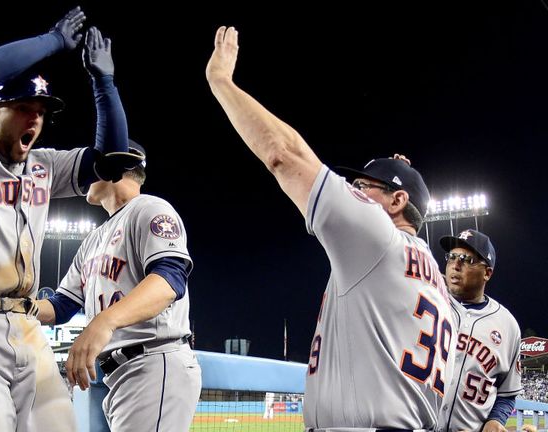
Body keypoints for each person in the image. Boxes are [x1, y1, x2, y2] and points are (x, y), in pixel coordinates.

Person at [206, 27, 455, 430]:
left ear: (397, 202)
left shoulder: (379, 238)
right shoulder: (437, 283)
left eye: (364, 187)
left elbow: (284, 156)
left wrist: (221, 83)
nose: (354, 192)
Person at [0, 8, 133, 431]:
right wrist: (52, 42)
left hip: (27, 325)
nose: (35, 118)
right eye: (22, 107)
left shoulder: (43, 165)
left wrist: (104, 84)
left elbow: (110, 162)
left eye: (40, 110)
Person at [37, 140, 201, 431]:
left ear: (116, 167)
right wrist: (16, 306)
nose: (83, 173)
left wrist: (104, 322)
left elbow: (169, 281)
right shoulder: (92, 240)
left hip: (154, 362)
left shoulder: (149, 208)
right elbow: (61, 306)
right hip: (119, 375)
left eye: (92, 165)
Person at [437, 230, 522, 432]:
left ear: (487, 273)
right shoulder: (428, 299)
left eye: (468, 259)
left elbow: (507, 393)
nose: (456, 265)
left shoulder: (507, 325)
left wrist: (496, 420)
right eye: (452, 257)